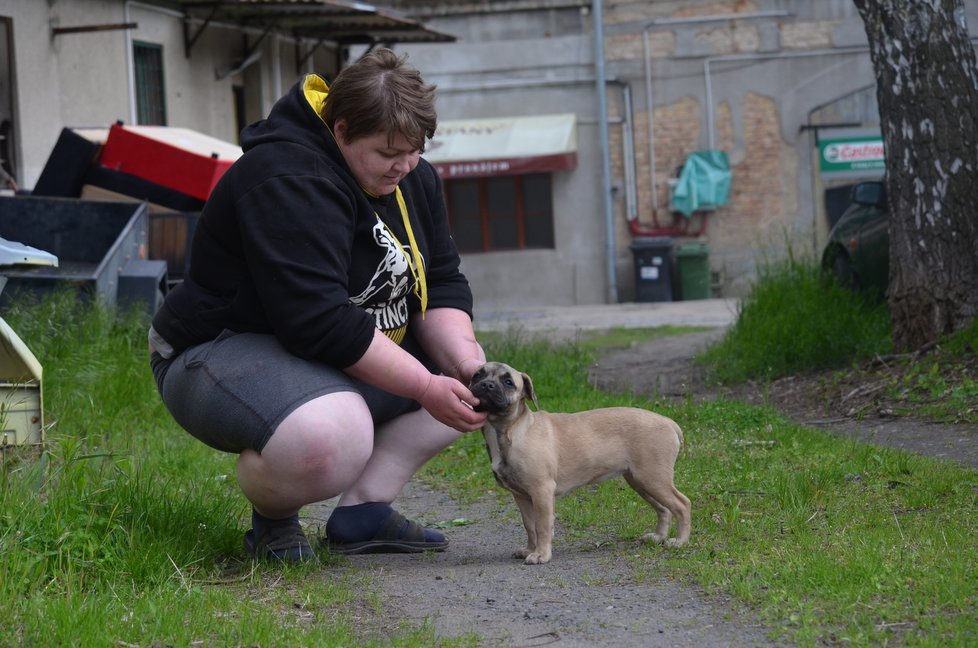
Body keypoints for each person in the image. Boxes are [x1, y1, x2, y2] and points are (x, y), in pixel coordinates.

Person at [148, 48, 488, 564]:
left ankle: (364, 515)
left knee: (471, 381)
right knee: (330, 433)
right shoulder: (287, 176)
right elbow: (320, 322)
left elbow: (439, 283)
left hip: (314, 347)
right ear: (342, 129)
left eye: (416, 149)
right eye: (388, 151)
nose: (406, 164)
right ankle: (274, 524)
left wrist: (465, 363)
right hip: (215, 350)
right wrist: (422, 383)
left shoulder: (413, 178)